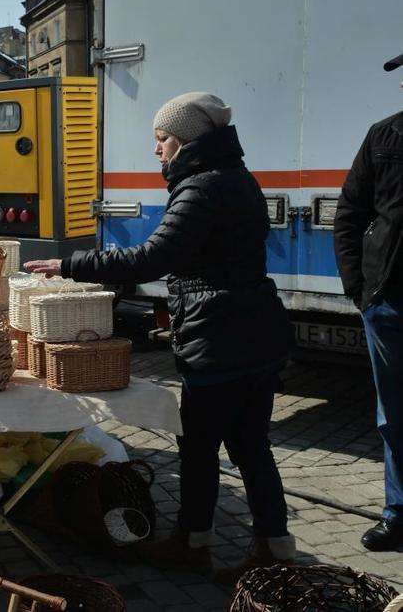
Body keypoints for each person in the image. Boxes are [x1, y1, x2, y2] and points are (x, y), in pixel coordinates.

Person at [26, 93, 295, 579]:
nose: (157, 151)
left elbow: (151, 257)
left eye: (162, 139)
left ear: (188, 140)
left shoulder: (201, 188)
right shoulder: (237, 178)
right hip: (254, 332)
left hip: (220, 340)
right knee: (252, 447)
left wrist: (70, 264)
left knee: (199, 447)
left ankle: (194, 545)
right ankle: (273, 548)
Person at [334, 52, 403, 552]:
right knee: (394, 415)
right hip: (389, 302)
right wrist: (358, 289)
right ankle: (398, 514)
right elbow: (349, 213)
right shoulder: (384, 136)